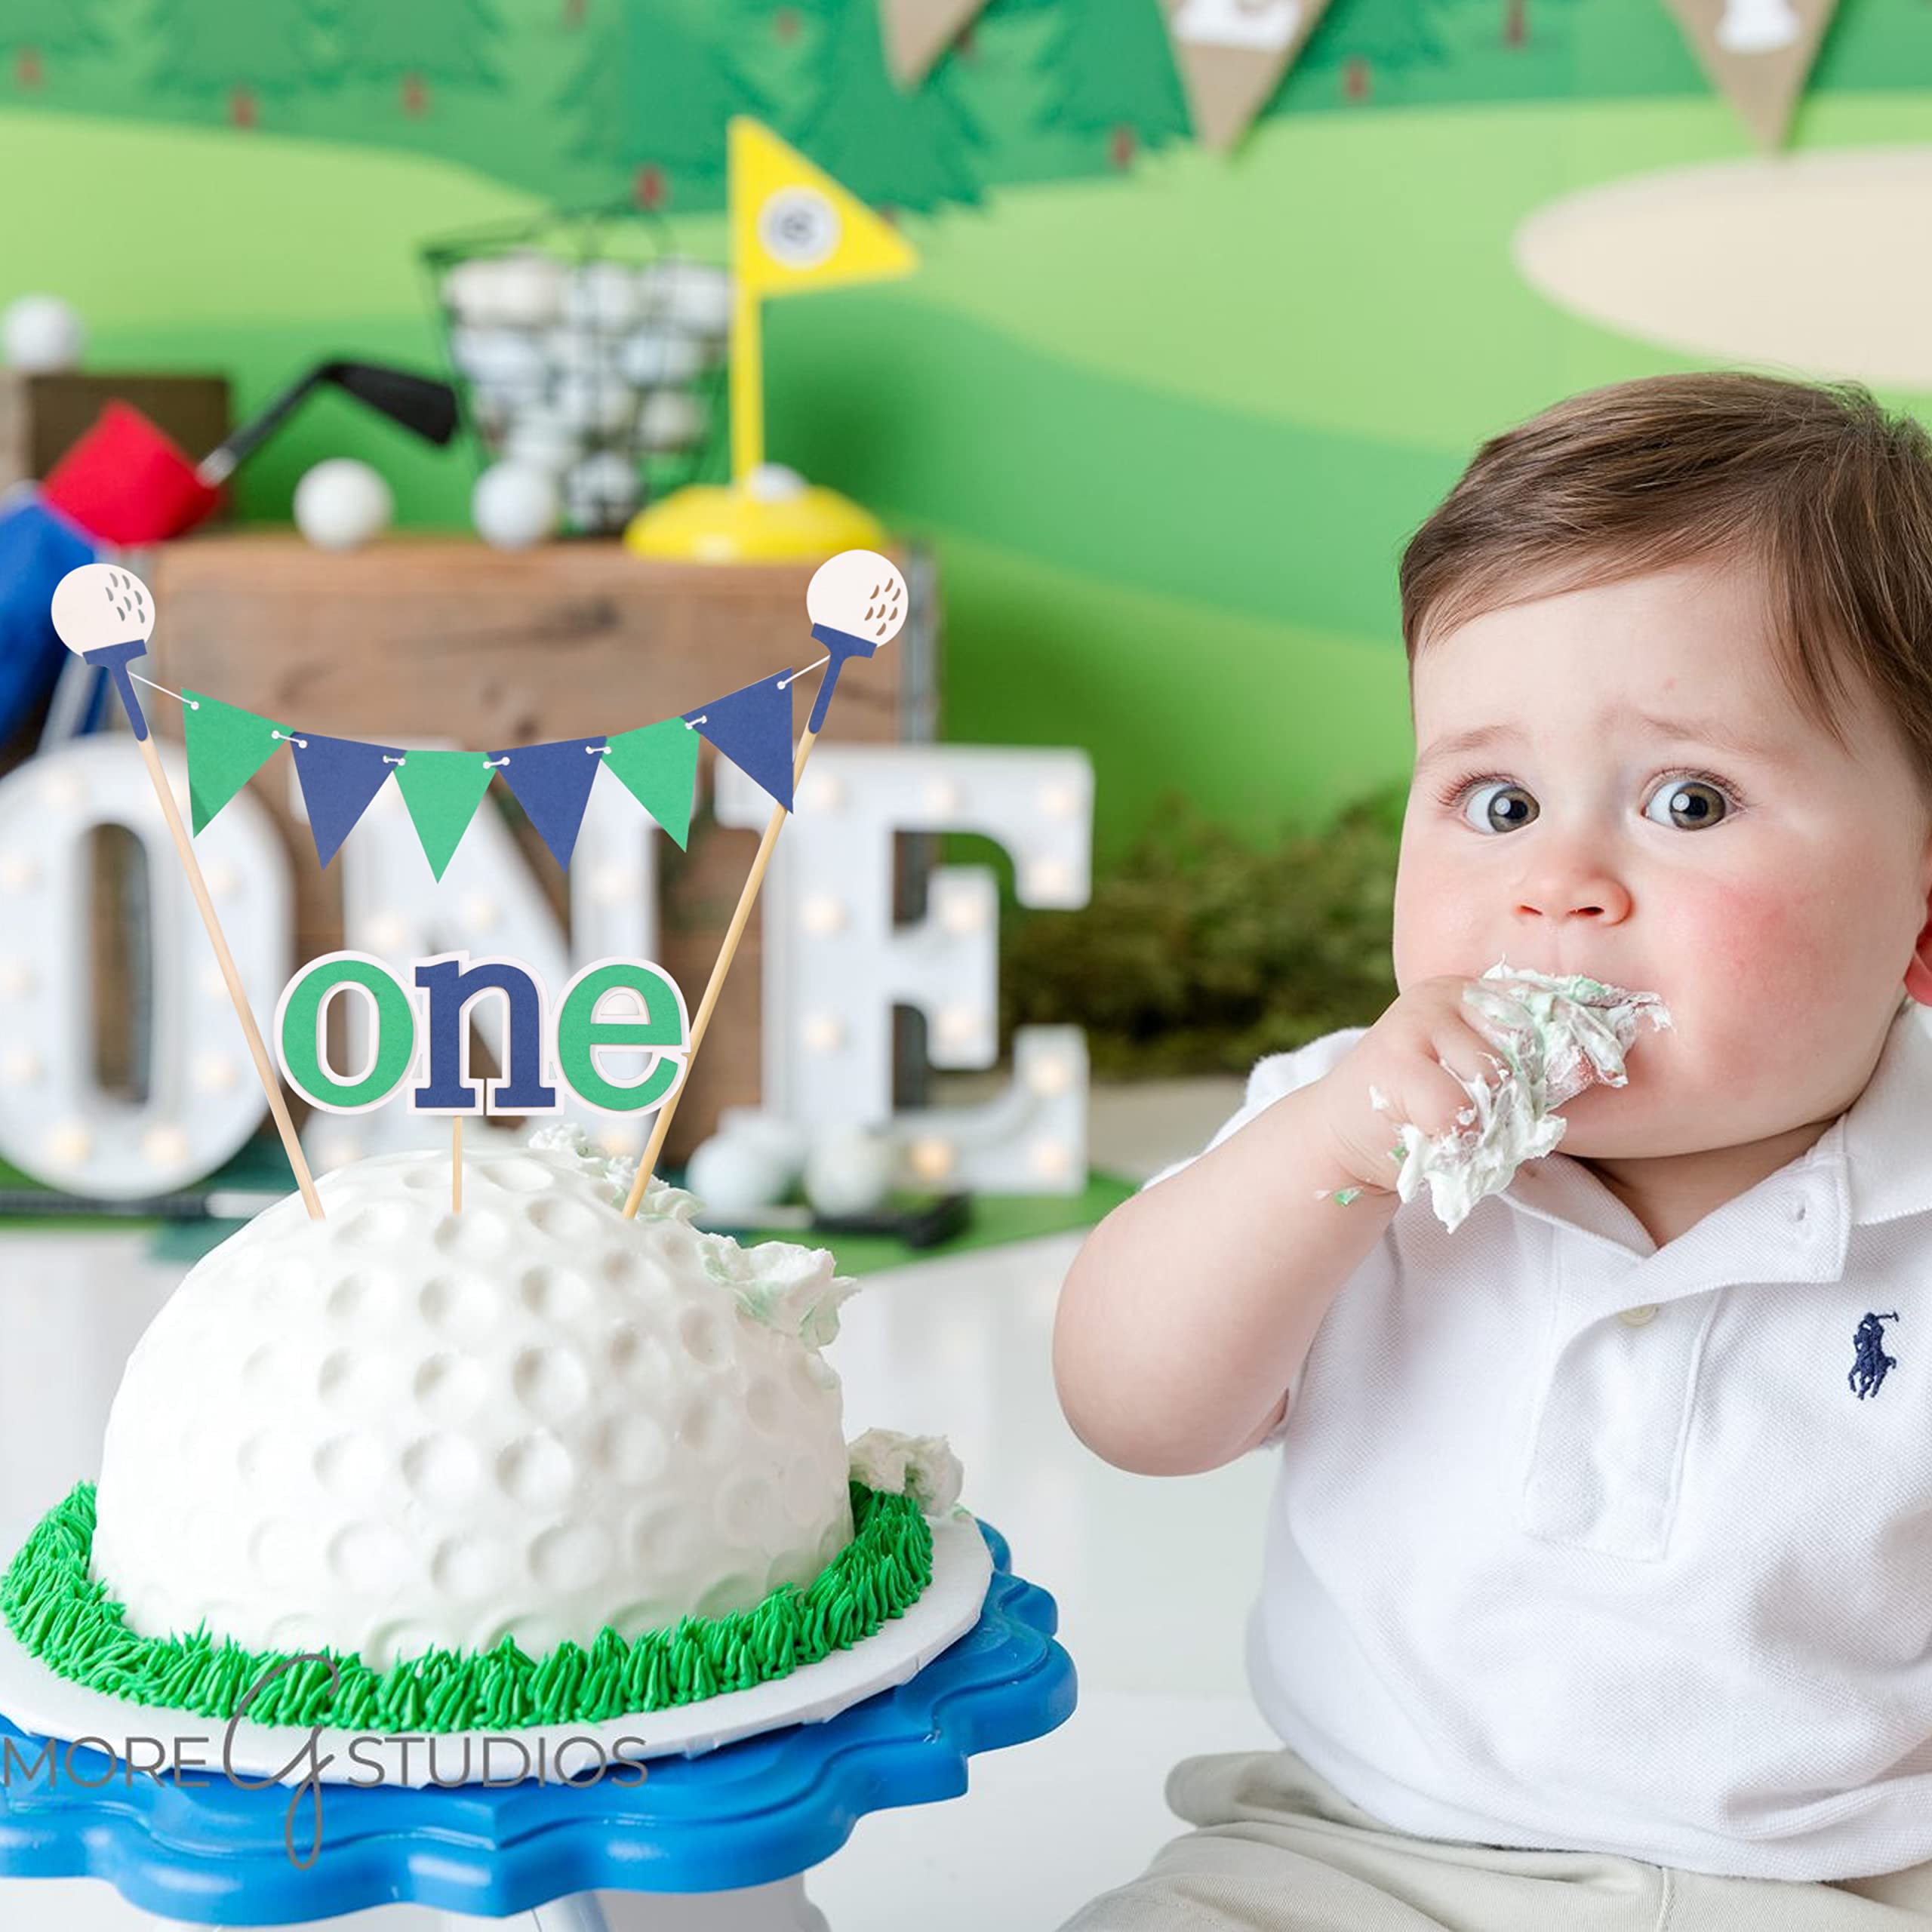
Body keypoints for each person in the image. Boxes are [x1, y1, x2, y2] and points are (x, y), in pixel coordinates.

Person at [1051, 371, 1932, 1929]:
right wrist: (1337, 1151)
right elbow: (1135, 1407)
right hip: (1364, 1852)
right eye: (1497, 796)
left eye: (1686, 796)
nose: (1556, 881)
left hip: (1840, 1874)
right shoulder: (1347, 1124)